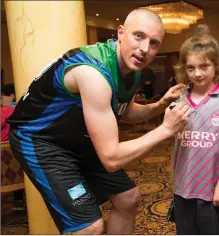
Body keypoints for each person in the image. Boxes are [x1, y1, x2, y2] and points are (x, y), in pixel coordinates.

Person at [8, 9, 190, 235]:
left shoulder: (131, 71)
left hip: (76, 139)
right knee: (89, 227)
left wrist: (161, 105)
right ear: (120, 33)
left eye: (154, 43)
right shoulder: (94, 73)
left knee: (128, 198)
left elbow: (124, 112)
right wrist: (165, 129)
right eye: (139, 36)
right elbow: (111, 158)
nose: (145, 49)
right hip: (40, 141)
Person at [171, 35, 219, 234]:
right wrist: (174, 181)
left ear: (217, 65)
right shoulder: (179, 100)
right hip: (183, 188)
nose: (197, 73)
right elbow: (174, 144)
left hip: (211, 189)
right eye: (191, 68)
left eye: (204, 66)